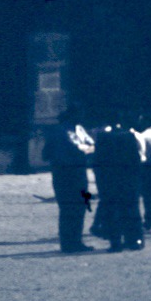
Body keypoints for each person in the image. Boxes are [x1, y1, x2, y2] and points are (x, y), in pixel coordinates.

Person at [93, 114, 145, 251]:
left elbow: (97, 163)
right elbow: (136, 160)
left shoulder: (102, 138)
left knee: (112, 211)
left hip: (109, 180)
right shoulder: (129, 136)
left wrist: (100, 181)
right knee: (132, 210)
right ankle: (135, 239)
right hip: (129, 179)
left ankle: (115, 241)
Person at [46, 107, 95, 252]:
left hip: (73, 171)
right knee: (71, 207)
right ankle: (71, 242)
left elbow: (91, 145)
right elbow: (82, 148)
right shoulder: (64, 131)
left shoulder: (78, 129)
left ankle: (72, 241)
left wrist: (86, 148)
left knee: (76, 207)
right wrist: (85, 149)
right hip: (67, 172)